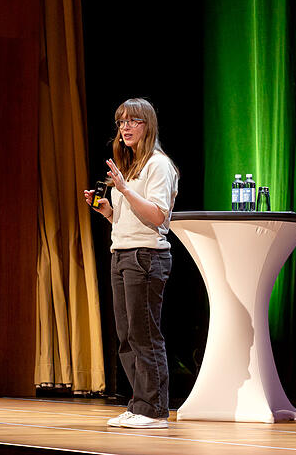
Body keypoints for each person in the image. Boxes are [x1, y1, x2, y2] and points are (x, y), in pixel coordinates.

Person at [83, 98, 179, 429]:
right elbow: (131, 220)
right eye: (121, 122)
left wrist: (123, 189)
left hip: (146, 257)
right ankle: (139, 405)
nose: (124, 127)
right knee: (126, 336)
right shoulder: (129, 165)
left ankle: (154, 410)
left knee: (144, 335)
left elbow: (157, 216)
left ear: (147, 126)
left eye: (132, 121)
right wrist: (108, 212)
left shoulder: (158, 165)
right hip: (121, 253)